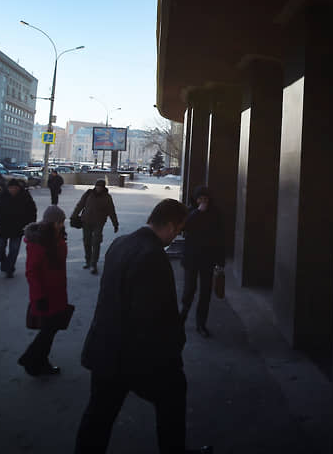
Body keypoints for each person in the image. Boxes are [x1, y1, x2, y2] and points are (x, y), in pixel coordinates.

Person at [74, 199, 211, 454]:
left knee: (98, 416)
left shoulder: (120, 243)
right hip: (132, 355)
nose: (176, 236)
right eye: (179, 230)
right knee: (172, 396)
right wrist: (172, 350)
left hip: (105, 346)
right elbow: (155, 315)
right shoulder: (153, 256)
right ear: (170, 225)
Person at [18, 205, 70, 377]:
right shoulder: (39, 244)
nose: (62, 225)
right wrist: (39, 297)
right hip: (46, 296)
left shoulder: (56, 238)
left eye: (62, 222)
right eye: (59, 222)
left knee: (51, 330)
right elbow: (31, 273)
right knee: (48, 330)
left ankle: (39, 361)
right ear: (51, 223)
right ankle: (32, 360)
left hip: (57, 292)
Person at [180, 186, 225, 338]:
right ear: (196, 199)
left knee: (205, 293)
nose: (203, 201)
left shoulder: (215, 213)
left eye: (206, 199)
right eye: (200, 199)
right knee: (189, 290)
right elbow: (184, 227)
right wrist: (198, 212)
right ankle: (182, 317)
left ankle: (201, 324)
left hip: (208, 259)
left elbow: (221, 237)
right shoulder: (190, 211)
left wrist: (221, 262)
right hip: (191, 258)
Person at [0, 179, 37, 277]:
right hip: (2, 227)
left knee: (14, 250)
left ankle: (10, 268)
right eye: (11, 188)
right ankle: (4, 262)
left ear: (19, 188)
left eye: (15, 188)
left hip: (18, 229)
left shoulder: (25, 196)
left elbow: (32, 212)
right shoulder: (1, 197)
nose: (13, 190)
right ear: (8, 188)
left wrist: (31, 226)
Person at [71, 179, 119, 275]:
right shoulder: (89, 194)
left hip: (99, 223)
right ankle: (88, 261)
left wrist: (115, 224)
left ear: (103, 187)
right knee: (87, 242)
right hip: (86, 221)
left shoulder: (107, 197)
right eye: (97, 186)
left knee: (96, 243)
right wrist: (74, 216)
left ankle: (94, 264)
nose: (98, 188)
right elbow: (80, 205)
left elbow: (111, 211)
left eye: (100, 187)